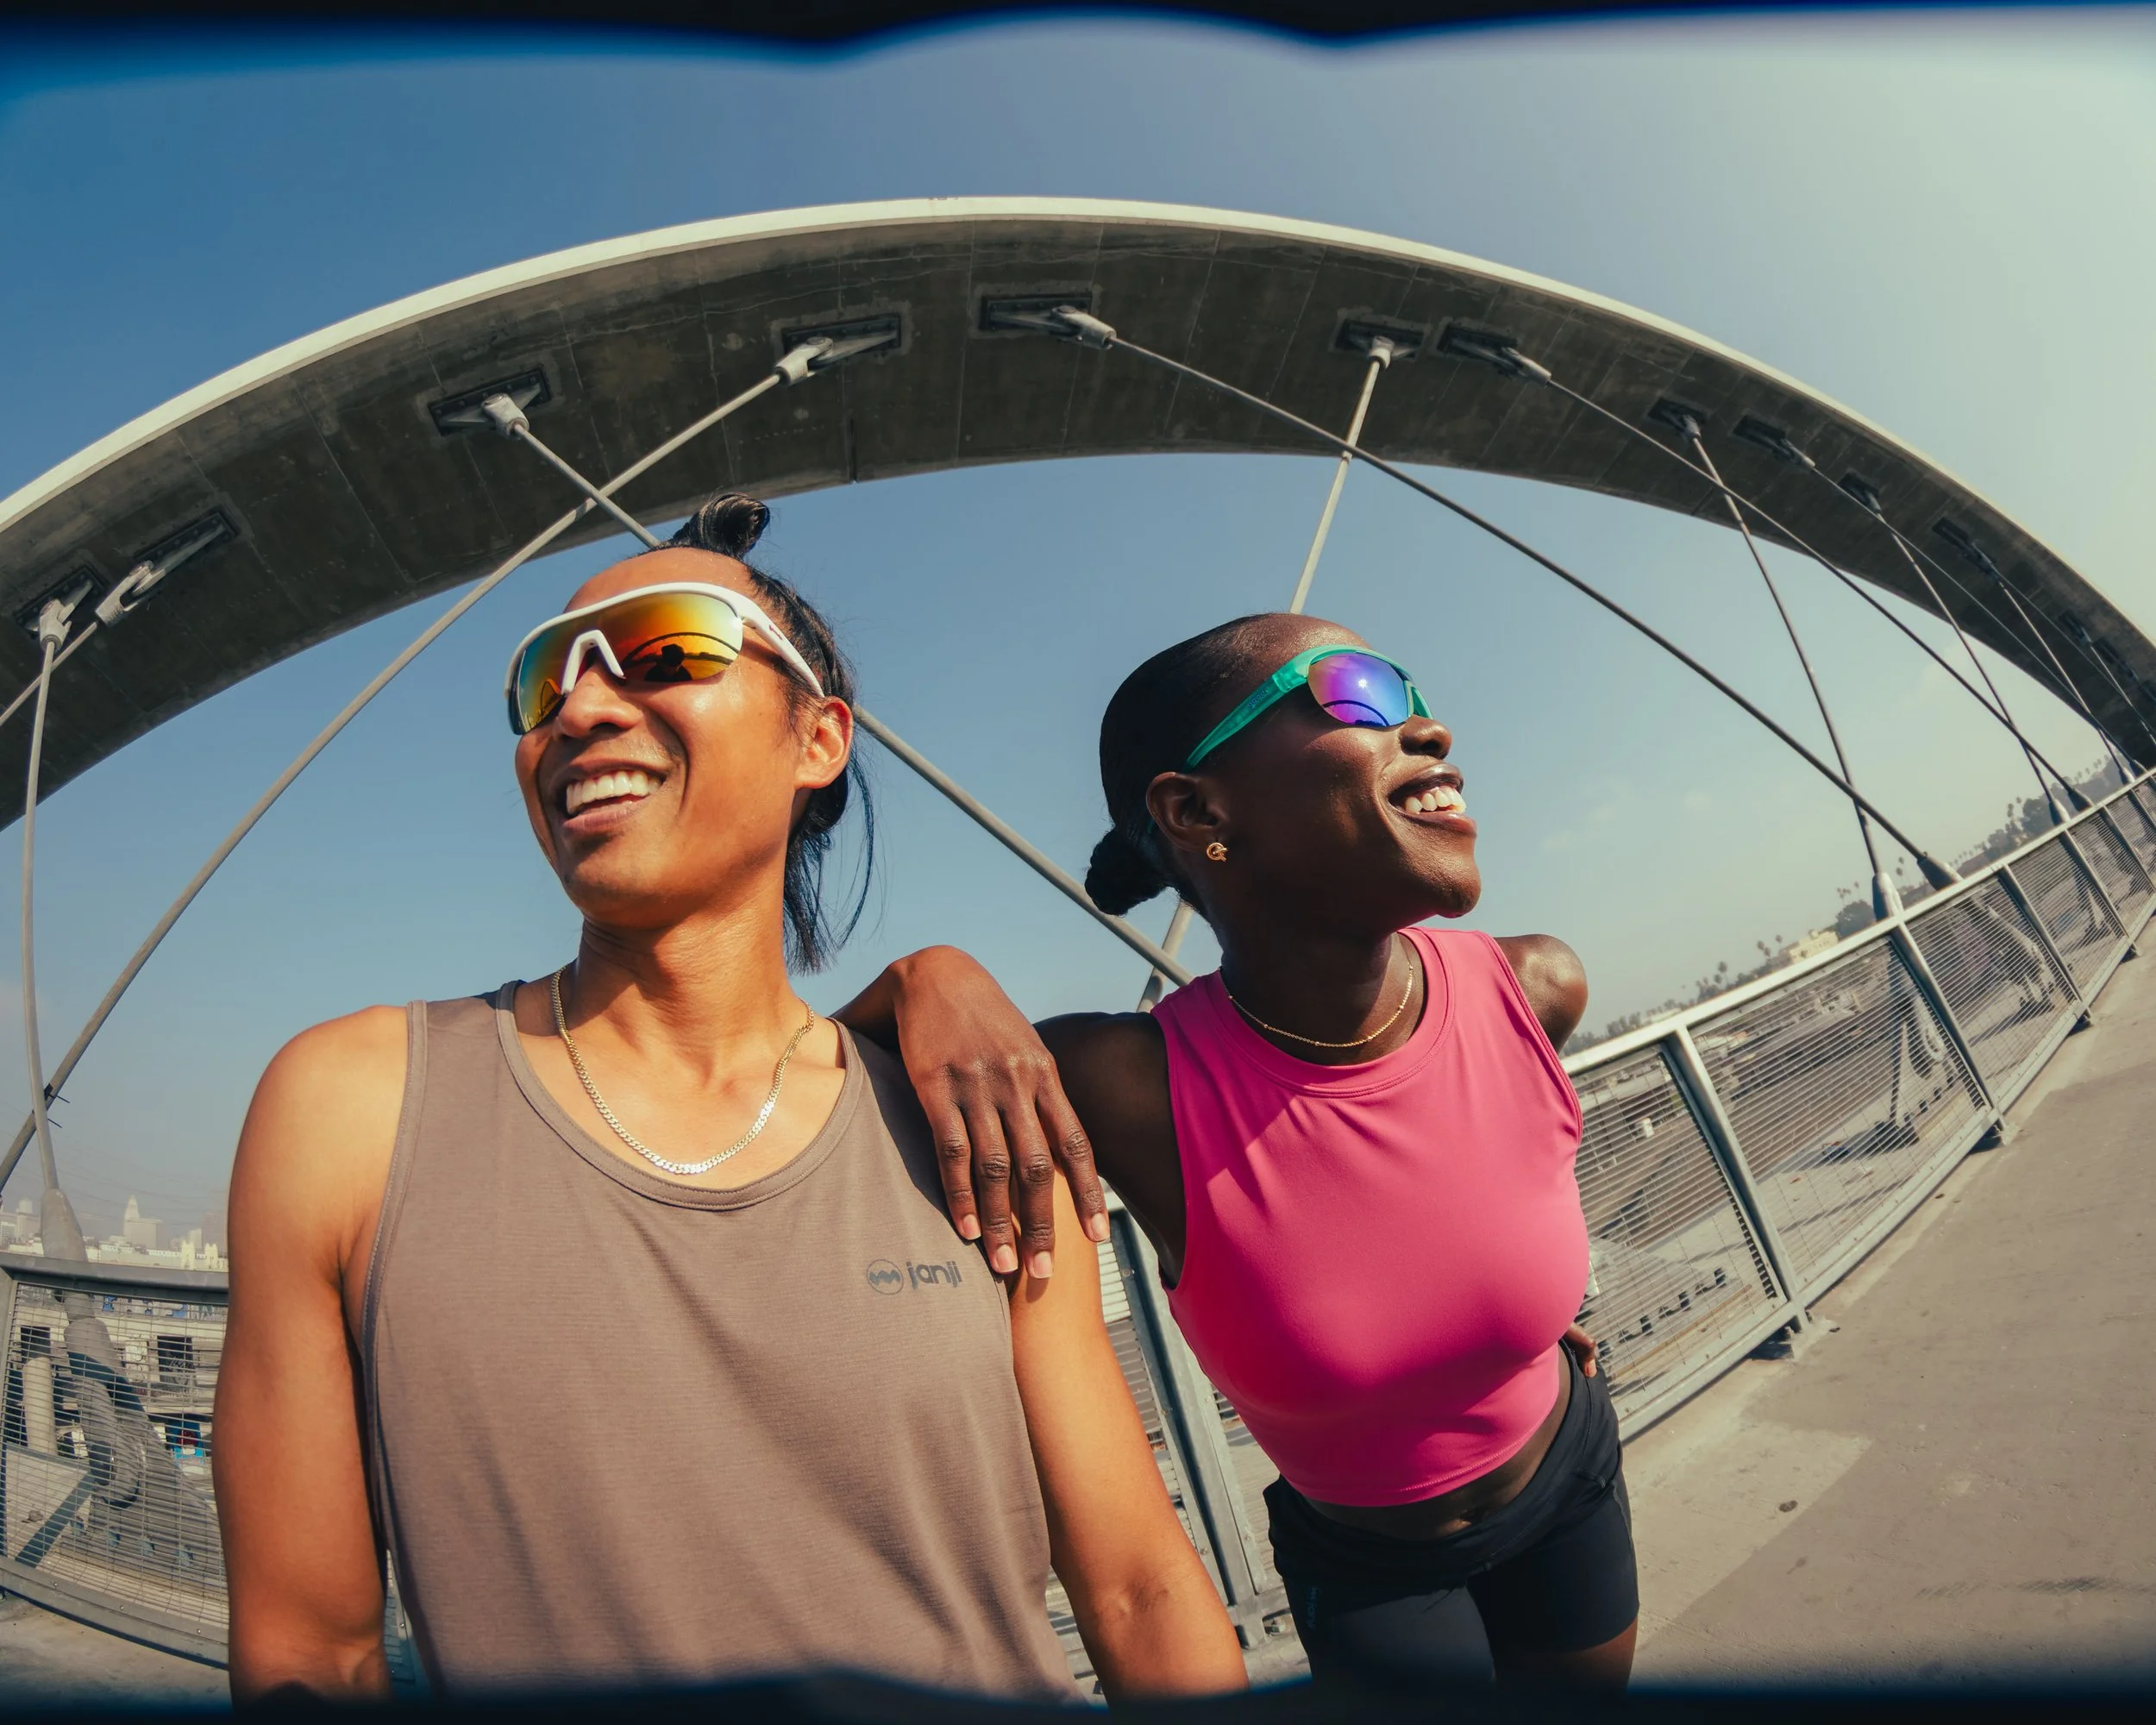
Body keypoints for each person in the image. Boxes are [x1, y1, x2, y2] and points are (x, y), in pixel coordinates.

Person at [211, 495, 1245, 1703]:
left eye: (669, 652)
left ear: (820, 740)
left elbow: (1138, 1589)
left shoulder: (972, 1127)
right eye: (545, 682)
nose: (583, 709)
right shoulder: (348, 1110)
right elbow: (309, 1653)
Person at [856, 612, 1633, 1691]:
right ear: (1196, 810)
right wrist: (920, 977)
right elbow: (798, 1083)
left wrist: (1515, 1331)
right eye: (1358, 691)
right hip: (1371, 1566)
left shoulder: (1536, 986)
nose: (1431, 728)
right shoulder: (1128, 1088)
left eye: (1410, 689)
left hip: (1572, 1479)